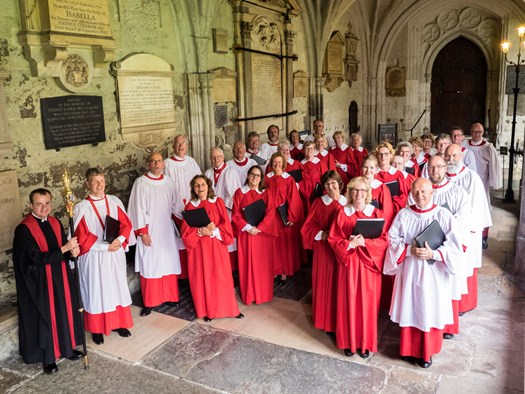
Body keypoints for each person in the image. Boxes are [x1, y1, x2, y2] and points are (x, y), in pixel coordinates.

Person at [384, 178, 462, 368]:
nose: (420, 196)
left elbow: (454, 246)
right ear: (411, 192)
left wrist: (434, 253)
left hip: (433, 272)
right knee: (411, 306)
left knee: (429, 307)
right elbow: (391, 239)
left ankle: (427, 352)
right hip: (410, 270)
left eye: (424, 192)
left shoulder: (443, 215)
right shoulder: (404, 214)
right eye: (416, 192)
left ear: (432, 192)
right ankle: (408, 349)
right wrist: (408, 249)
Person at [13, 188, 83, 374]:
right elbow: (33, 259)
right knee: (46, 318)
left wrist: (71, 253)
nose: (44, 208)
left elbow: (62, 248)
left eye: (47, 203)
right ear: (31, 205)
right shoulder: (24, 229)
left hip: (60, 277)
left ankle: (67, 349)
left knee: (63, 311)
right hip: (40, 283)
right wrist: (64, 249)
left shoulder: (54, 222)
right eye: (39, 204)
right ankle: (48, 358)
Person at [328, 177, 388, 359]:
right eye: (355, 190)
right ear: (349, 192)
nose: (359, 194)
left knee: (368, 305)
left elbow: (384, 240)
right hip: (350, 265)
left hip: (369, 266)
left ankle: (365, 343)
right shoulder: (341, 213)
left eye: (363, 190)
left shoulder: (376, 213)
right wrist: (350, 244)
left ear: (368, 193)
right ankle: (349, 342)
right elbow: (333, 238)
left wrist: (366, 242)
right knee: (349, 302)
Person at [74, 168, 134, 345]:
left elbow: (126, 224)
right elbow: (82, 235)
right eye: (95, 181)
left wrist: (120, 239)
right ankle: (97, 328)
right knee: (96, 290)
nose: (100, 185)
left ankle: (118, 323)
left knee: (115, 288)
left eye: (101, 181)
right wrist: (103, 247)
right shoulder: (81, 207)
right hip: (94, 257)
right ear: (87, 184)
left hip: (114, 253)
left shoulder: (114, 201)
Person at [181, 175, 243, 322]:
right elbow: (185, 231)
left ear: (208, 186)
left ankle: (230, 310)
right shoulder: (190, 206)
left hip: (216, 245)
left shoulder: (218, 202)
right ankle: (208, 310)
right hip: (199, 249)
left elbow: (225, 224)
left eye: (203, 184)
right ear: (193, 189)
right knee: (204, 278)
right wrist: (200, 231)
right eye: (197, 186)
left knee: (222, 277)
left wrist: (213, 232)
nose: (200, 188)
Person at [128, 152, 181, 317]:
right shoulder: (141, 183)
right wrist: (142, 232)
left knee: (167, 261)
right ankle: (150, 302)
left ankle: (170, 296)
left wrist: (183, 224)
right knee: (151, 264)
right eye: (153, 161)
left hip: (166, 228)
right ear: (148, 164)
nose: (157, 164)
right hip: (150, 231)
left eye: (159, 161)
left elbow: (176, 206)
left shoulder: (169, 182)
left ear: (163, 164)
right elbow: (136, 208)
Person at [427, 154, 471, 338]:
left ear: (445, 168)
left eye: (438, 167)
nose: (435, 171)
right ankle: (430, 322)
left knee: (447, 286)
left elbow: (463, 219)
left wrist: (443, 237)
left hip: (446, 247)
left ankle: (447, 326)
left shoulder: (457, 192)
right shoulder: (422, 190)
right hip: (427, 247)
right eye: (431, 167)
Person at [445, 144, 492, 314]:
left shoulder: (471, 177)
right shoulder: (440, 176)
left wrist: (459, 226)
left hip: (465, 231)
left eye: (454, 156)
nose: (451, 160)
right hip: (444, 231)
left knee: (464, 266)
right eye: (448, 156)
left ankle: (463, 304)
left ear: (461, 157)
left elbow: (475, 207)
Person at [301, 170, 347, 334]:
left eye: (333, 183)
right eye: (327, 184)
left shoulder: (347, 203)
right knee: (323, 284)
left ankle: (338, 319)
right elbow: (308, 226)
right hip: (323, 249)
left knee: (339, 285)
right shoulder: (319, 203)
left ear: (339, 183)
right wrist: (322, 234)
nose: (331, 186)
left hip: (340, 252)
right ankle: (323, 319)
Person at [232, 165, 277, 305]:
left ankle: (263, 295)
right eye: (252, 174)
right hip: (246, 234)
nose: (255, 178)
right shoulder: (239, 193)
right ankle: (249, 294)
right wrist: (248, 227)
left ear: (261, 178)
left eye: (258, 175)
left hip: (262, 235)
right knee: (247, 264)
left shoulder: (266, 193)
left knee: (262, 265)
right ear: (247, 175)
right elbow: (236, 214)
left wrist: (260, 228)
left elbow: (271, 213)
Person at [163, 134, 202, 279]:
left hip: (192, 207)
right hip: (176, 209)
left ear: (187, 145)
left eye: (183, 143)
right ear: (173, 146)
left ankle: (194, 273)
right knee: (180, 241)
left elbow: (200, 182)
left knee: (193, 238)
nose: (181, 146)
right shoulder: (167, 164)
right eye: (178, 143)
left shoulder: (192, 162)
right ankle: (182, 276)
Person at [265, 152, 305, 283]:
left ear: (284, 164)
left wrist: (292, 217)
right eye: (275, 162)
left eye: (280, 163)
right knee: (272, 246)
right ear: (271, 164)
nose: (277, 165)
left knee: (283, 246)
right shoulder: (266, 179)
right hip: (270, 218)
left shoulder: (288, 179)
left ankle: (283, 272)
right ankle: (273, 271)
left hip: (283, 217)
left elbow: (294, 199)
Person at [463, 122, 502, 246]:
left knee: (483, 207)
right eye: (474, 132)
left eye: (479, 132)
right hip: (466, 181)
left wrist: (494, 181)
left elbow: (494, 165)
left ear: (483, 132)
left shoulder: (488, 147)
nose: (476, 134)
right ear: (470, 132)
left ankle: (483, 237)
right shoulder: (464, 144)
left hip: (482, 181)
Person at [205, 146, 242, 270]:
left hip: (226, 211)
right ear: (210, 159)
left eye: (219, 156)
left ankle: (230, 268)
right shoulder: (208, 172)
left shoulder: (230, 172)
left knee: (225, 237)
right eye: (213, 157)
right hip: (211, 212)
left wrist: (220, 206)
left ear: (223, 157)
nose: (216, 159)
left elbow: (234, 195)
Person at [374, 141, 409, 214]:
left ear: (391, 155)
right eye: (380, 154)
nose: (383, 157)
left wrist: (390, 209)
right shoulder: (373, 174)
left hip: (395, 210)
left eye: (386, 154)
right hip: (377, 211)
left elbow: (403, 196)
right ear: (377, 156)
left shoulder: (398, 174)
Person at [300, 141, 328, 211]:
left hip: (317, 194)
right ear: (303, 150)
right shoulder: (299, 165)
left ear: (314, 150)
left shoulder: (320, 163)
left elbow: (326, 180)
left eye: (311, 148)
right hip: (304, 196)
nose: (309, 151)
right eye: (307, 148)